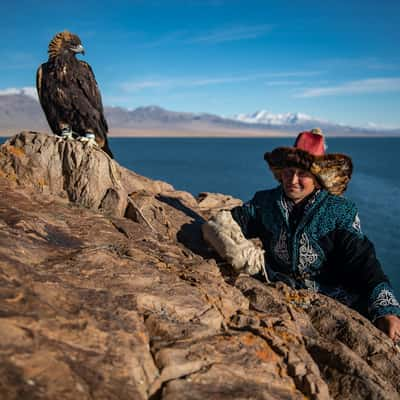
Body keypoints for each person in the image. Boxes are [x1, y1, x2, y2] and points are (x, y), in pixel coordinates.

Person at [202, 128, 400, 341]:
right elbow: (223, 223)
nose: (293, 180)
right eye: (288, 172)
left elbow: (363, 261)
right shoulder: (264, 203)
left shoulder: (340, 211)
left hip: (334, 299)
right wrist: (250, 259)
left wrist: (386, 310)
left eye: (303, 174)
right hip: (276, 290)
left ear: (318, 177)